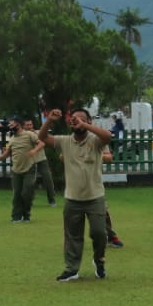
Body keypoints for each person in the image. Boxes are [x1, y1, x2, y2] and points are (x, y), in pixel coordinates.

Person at [38, 108, 112, 281]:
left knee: (99, 233)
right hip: (73, 198)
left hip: (95, 197)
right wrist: (49, 120)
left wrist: (85, 124)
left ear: (89, 122)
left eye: (82, 119)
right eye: (74, 119)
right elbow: (41, 138)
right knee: (73, 236)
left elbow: (108, 136)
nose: (77, 121)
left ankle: (99, 260)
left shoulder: (96, 141)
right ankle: (72, 269)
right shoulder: (64, 141)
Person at [0, 116, 44, 223]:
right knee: (17, 195)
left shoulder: (29, 134)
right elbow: (8, 153)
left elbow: (41, 143)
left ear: (18, 124)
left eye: (12, 125)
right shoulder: (12, 139)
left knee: (26, 193)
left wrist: (34, 151)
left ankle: (26, 215)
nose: (10, 127)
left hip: (29, 169)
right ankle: (16, 217)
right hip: (16, 170)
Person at [24, 119, 57, 206]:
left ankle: (52, 200)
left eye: (30, 124)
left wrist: (34, 132)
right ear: (23, 126)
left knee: (48, 178)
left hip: (41, 159)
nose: (29, 127)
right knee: (29, 182)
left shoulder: (38, 132)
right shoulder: (22, 135)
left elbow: (43, 140)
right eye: (27, 125)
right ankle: (29, 201)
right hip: (29, 161)